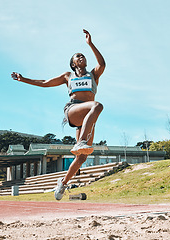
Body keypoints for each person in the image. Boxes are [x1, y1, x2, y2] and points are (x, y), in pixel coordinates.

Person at [11, 29, 105, 200]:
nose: (81, 57)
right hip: (74, 110)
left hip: (87, 119)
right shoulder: (67, 76)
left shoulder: (93, 75)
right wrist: (23, 79)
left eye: (83, 55)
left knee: (82, 157)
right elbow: (45, 83)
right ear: (73, 64)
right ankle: (81, 142)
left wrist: (90, 44)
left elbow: (102, 63)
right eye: (78, 56)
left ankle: (62, 183)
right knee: (98, 106)